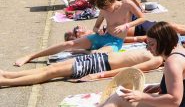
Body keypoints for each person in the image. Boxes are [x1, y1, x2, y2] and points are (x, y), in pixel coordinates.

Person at [14, 0, 146, 67]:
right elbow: (95, 27)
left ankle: (85, 52)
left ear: (112, 1)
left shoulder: (127, 4)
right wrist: (97, 30)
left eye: (106, 8)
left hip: (115, 41)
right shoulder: (104, 10)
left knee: (97, 55)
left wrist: (126, 25)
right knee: (69, 43)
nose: (106, 11)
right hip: (101, 37)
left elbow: (142, 18)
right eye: (103, 9)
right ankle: (30, 56)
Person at [120, 21, 185, 107]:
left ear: (163, 42)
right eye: (147, 44)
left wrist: (142, 96)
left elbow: (174, 101)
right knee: (123, 98)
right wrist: (161, 86)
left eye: (151, 44)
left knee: (118, 98)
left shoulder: (173, 62)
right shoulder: (181, 51)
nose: (148, 48)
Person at [0, 46, 162, 87]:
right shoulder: (153, 52)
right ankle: (7, 75)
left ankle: (5, 82)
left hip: (99, 65)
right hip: (99, 58)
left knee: (50, 73)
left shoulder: (156, 59)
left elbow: (129, 71)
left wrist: (98, 75)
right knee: (48, 69)